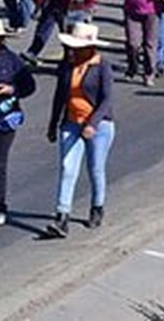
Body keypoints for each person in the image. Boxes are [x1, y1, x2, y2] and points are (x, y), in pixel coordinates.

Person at [45, 23, 115, 238]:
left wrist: (92, 124)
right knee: (67, 168)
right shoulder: (67, 65)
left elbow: (107, 99)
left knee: (95, 169)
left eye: (78, 47)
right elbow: (60, 96)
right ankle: (62, 216)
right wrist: (53, 123)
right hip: (71, 122)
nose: (74, 51)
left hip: (99, 126)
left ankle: (97, 207)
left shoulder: (102, 65)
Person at [0, 20, 37, 226]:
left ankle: (0, 205)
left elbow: (29, 86)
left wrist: (11, 89)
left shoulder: (12, 61)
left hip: (4, 120)